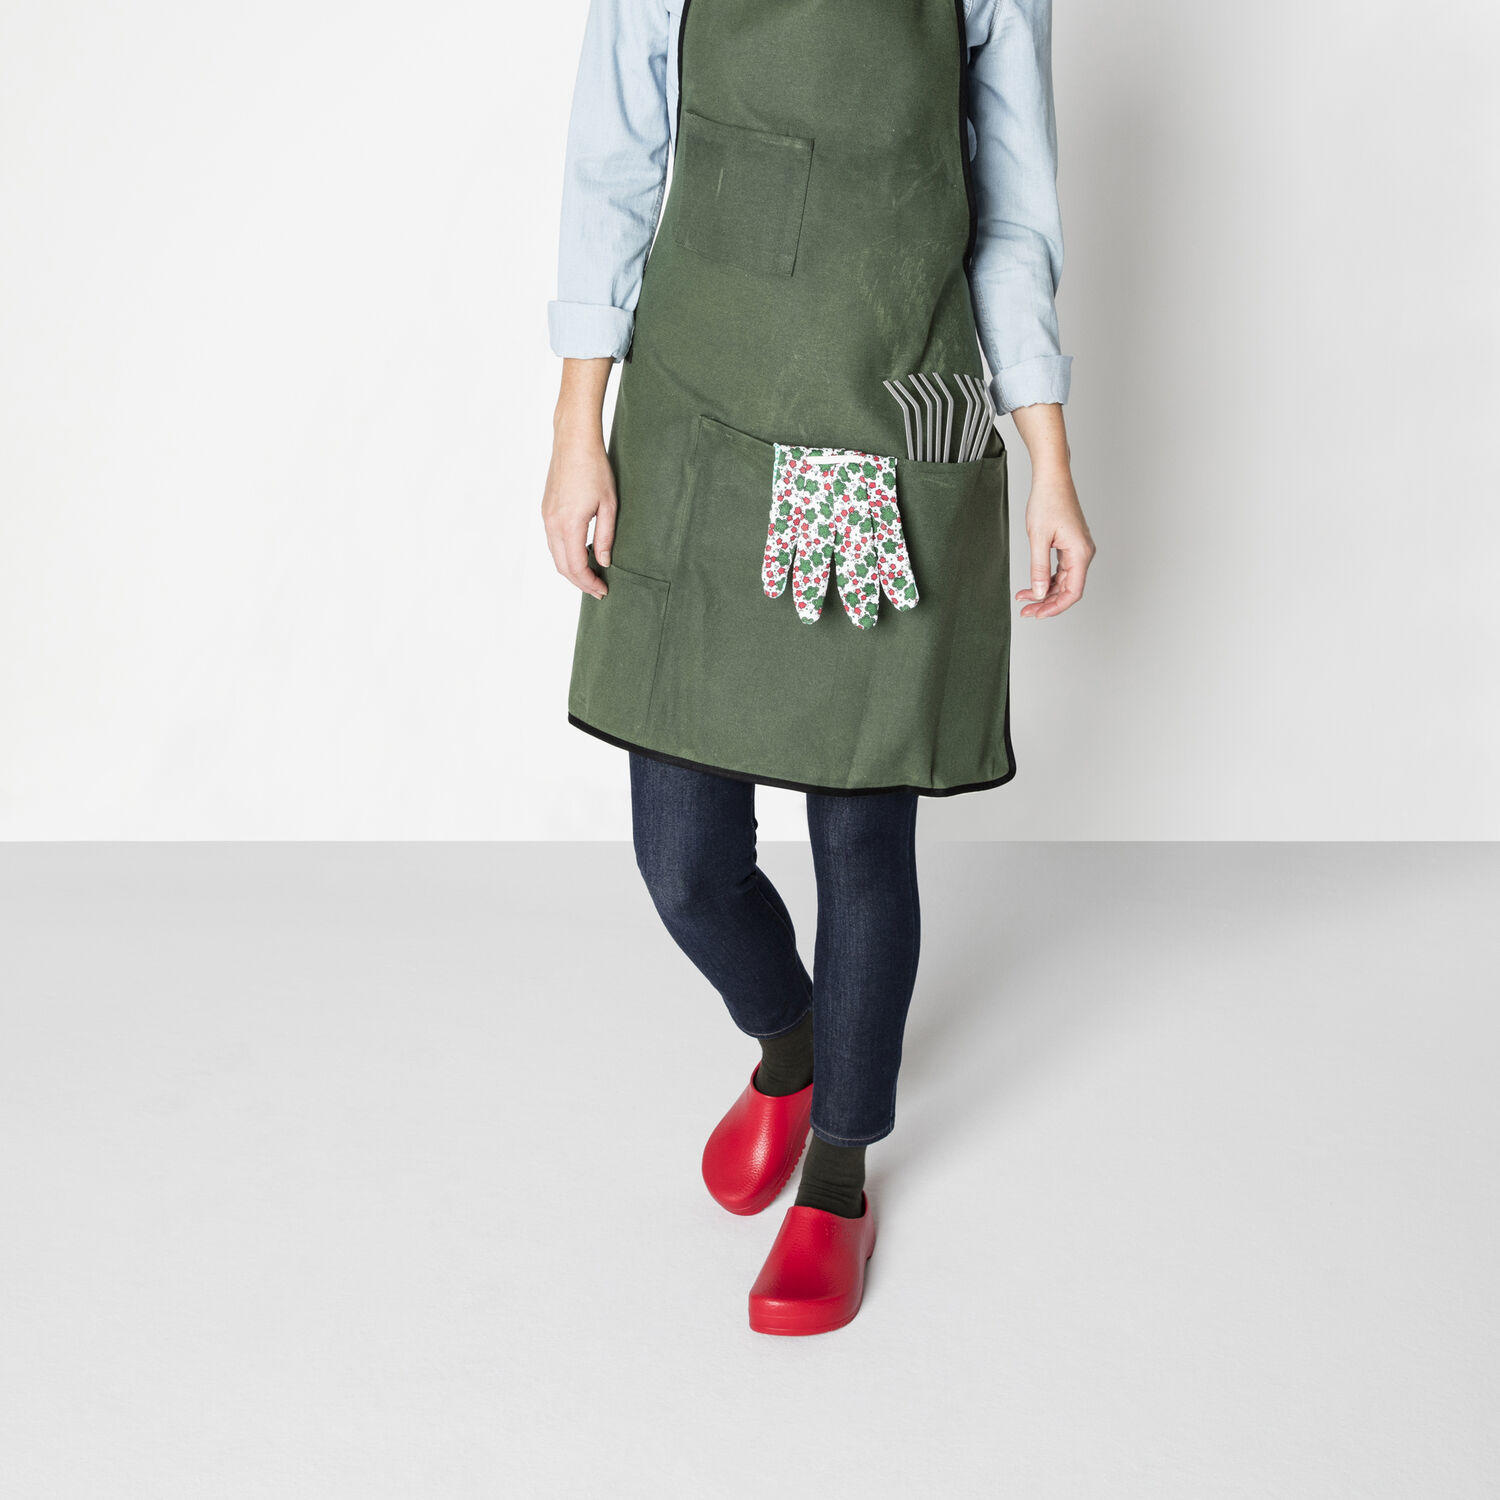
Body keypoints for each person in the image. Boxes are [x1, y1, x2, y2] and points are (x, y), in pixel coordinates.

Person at [541, 0, 1095, 1335]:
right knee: (684, 859)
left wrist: (1050, 461)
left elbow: (1014, 218)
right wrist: (576, 427)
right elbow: (613, 167)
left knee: (860, 835)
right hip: (697, 418)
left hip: (890, 416)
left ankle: (838, 1177)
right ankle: (789, 1044)